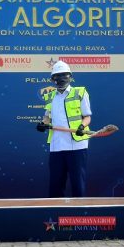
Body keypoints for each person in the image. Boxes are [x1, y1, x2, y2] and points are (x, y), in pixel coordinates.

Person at [36, 60, 92, 197]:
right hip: (57, 146)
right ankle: (55, 214)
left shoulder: (80, 92)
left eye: (64, 75)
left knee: (78, 183)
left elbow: (87, 116)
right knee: (56, 184)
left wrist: (81, 126)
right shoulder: (49, 97)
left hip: (77, 145)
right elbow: (47, 117)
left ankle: (79, 215)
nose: (61, 79)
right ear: (53, 79)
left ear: (70, 76)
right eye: (58, 76)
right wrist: (43, 123)